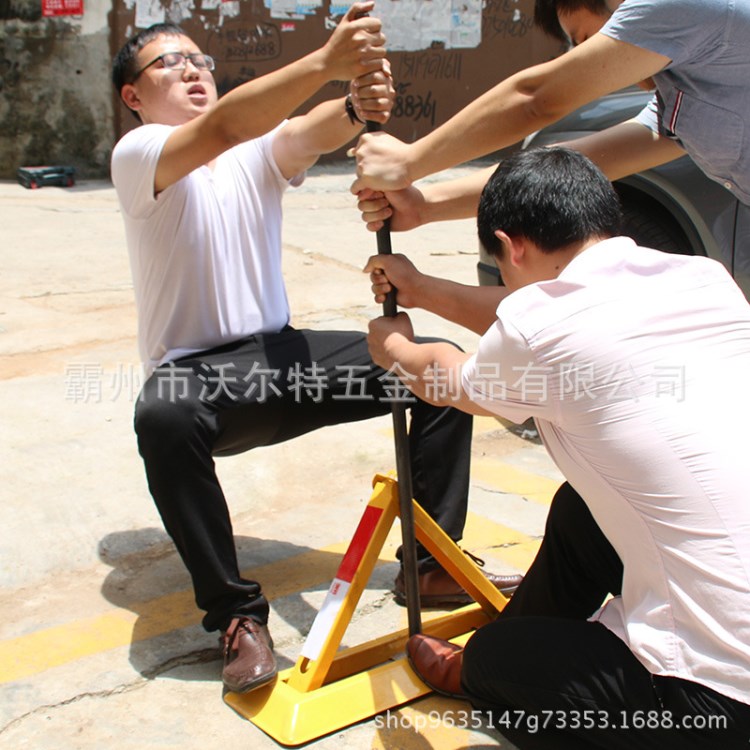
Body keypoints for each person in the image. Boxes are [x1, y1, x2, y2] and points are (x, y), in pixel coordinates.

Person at [109, 7, 521, 696]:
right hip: (204, 384)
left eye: (199, 61)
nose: (191, 70)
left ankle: (429, 561)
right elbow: (224, 125)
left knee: (435, 369)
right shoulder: (140, 154)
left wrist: (358, 102)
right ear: (133, 95)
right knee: (162, 417)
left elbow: (303, 131)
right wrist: (329, 61)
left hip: (284, 363)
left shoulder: (254, 152)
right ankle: (237, 616)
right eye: (168, 64)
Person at [364, 146, 750, 748]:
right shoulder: (704, 279)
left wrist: (392, 346)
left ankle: (506, 669)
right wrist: (420, 287)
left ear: (509, 245)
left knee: (496, 664)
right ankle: (538, 635)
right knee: (581, 509)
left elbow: (448, 376)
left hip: (717, 696)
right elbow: (533, 316)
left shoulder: (538, 329)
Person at [351, 0, 750, 232]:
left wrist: (408, 161)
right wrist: (425, 204)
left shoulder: (682, 5)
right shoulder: (680, 93)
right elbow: (577, 164)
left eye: (589, 42)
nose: (590, 59)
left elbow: (536, 99)